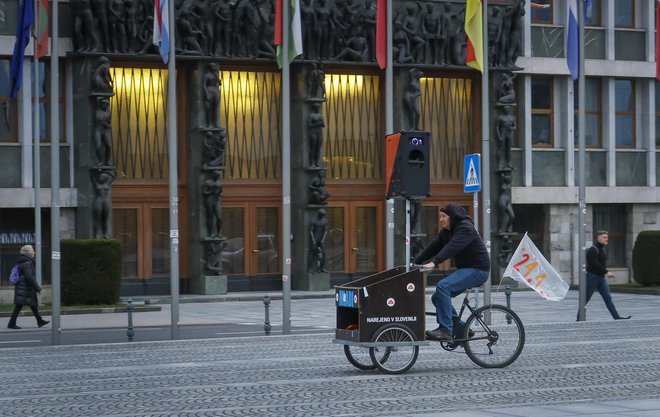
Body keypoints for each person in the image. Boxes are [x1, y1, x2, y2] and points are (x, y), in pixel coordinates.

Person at [414, 204, 490, 341]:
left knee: (443, 286)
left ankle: (445, 330)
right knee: (437, 297)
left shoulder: (465, 228)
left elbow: (452, 247)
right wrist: (415, 262)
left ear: (452, 217)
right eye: (440, 217)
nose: (441, 219)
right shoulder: (447, 231)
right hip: (466, 269)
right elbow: (433, 246)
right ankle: (461, 329)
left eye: (444, 216)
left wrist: (434, 262)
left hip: (478, 270)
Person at [578, 230, 631, 321]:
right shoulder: (593, 249)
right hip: (592, 278)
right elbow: (594, 264)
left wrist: (604, 273)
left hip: (601, 278)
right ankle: (579, 318)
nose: (607, 239)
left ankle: (616, 316)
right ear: (598, 238)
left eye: (607, 237)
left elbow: (600, 264)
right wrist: (606, 272)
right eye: (604, 237)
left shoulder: (602, 249)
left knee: (608, 298)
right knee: (585, 299)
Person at [7, 245, 49, 329]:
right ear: (28, 253)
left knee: (33, 305)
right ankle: (11, 324)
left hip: (24, 287)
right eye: (32, 250)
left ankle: (39, 321)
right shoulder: (27, 263)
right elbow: (29, 277)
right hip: (25, 288)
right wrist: (37, 288)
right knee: (19, 306)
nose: (34, 252)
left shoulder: (22, 261)